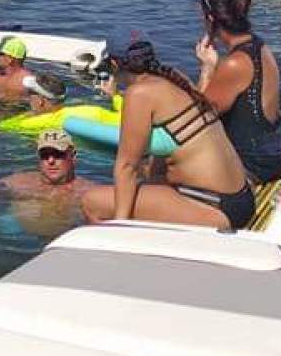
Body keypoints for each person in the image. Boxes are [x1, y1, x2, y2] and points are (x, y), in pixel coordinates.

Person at [79, 30, 253, 229]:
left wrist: (120, 226)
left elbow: (127, 167)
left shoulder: (139, 93)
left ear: (114, 64)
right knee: (150, 171)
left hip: (215, 208)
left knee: (92, 203)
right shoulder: (176, 78)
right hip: (241, 198)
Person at [195, 0, 281, 183]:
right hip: (274, 155)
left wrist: (207, 68)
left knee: (162, 165)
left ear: (210, 19)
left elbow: (199, 118)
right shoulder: (259, 46)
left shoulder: (235, 64)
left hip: (253, 166)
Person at [0, 129, 96, 238]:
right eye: (45, 155)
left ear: (73, 156)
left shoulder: (89, 192)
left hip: (68, 244)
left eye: (58, 154)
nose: (50, 161)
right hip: (18, 243)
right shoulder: (18, 182)